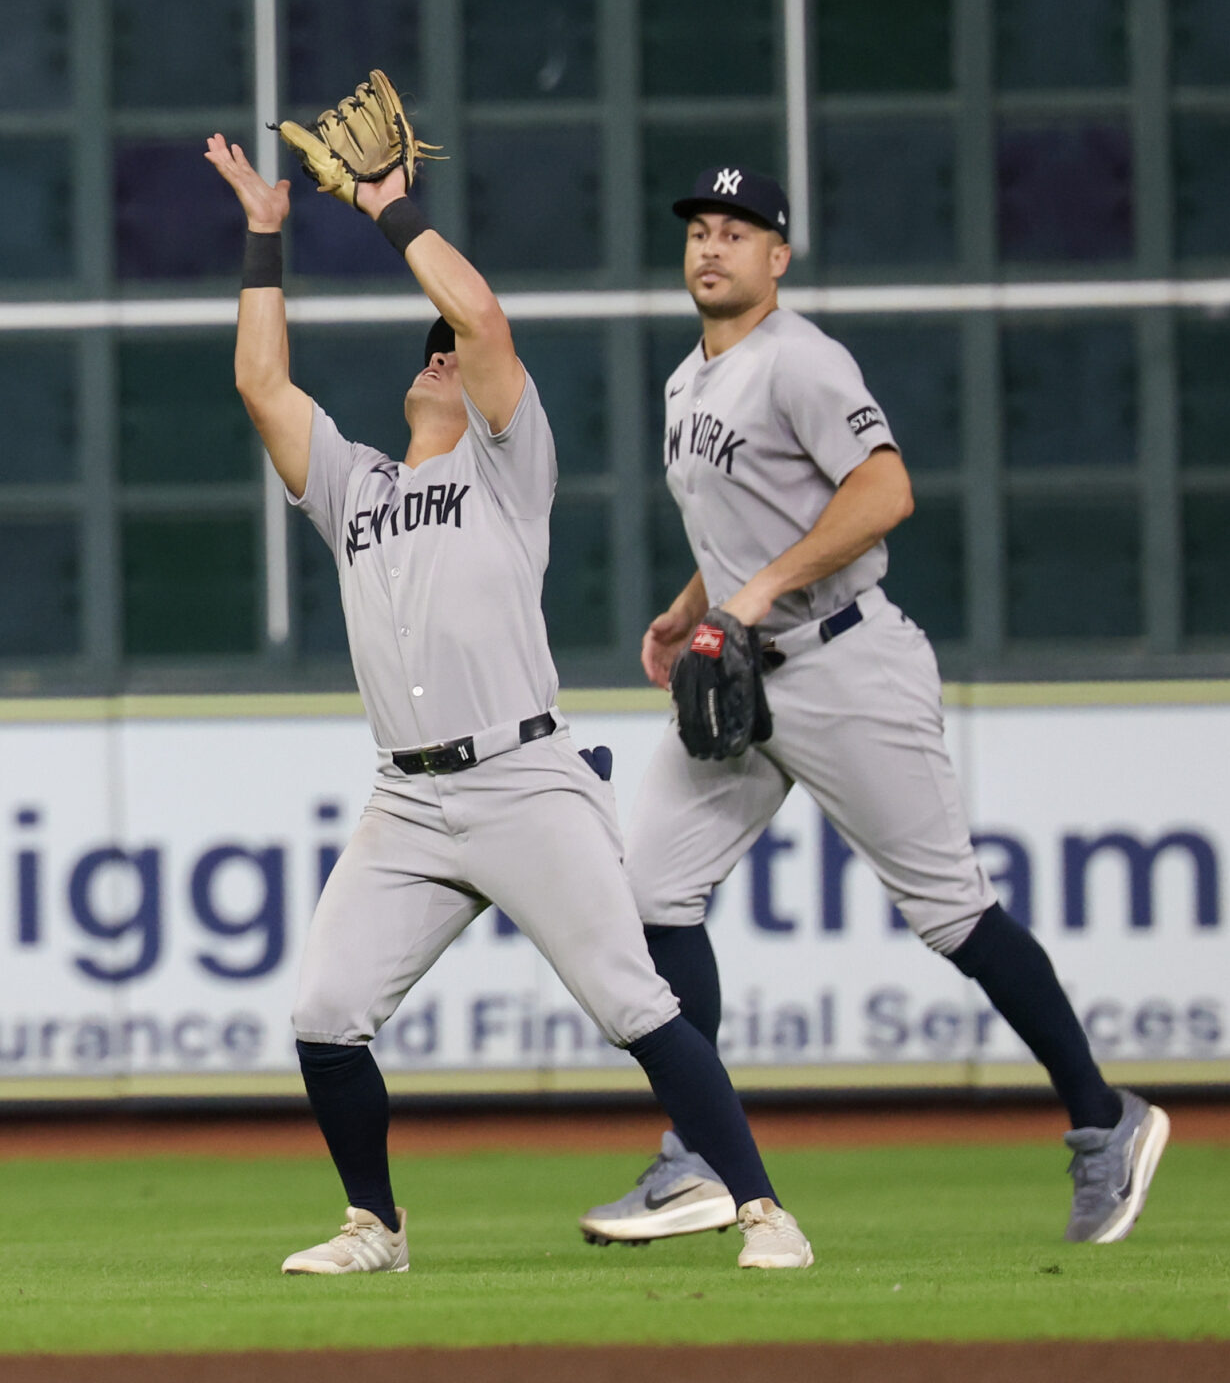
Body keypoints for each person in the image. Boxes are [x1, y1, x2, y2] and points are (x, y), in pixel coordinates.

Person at [203, 122, 814, 1274]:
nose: (441, 355)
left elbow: (479, 318)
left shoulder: (505, 467)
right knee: (324, 1015)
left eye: (451, 351)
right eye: (426, 349)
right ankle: (374, 1227)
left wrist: (389, 208)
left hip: (523, 778)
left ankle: (763, 1212)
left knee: (635, 1006)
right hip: (407, 801)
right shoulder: (352, 488)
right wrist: (264, 237)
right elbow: (259, 383)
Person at [579, 165, 1169, 1250]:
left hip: (845, 663)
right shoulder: (685, 382)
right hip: (744, 668)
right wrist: (690, 607)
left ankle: (1103, 1121)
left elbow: (883, 489)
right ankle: (698, 1159)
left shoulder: (800, 359)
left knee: (951, 913)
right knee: (650, 892)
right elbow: (748, 524)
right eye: (700, 229)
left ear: (777, 258)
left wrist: (753, 594)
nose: (712, 245)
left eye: (737, 231)